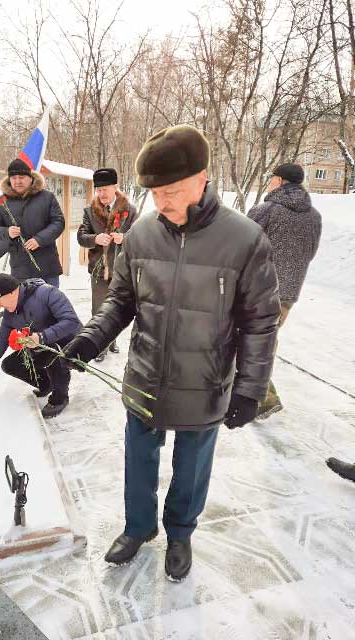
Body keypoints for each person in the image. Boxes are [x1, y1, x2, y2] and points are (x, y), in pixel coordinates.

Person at [64, 125, 280, 581]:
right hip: (144, 374)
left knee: (192, 465)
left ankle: (180, 533)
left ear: (203, 178)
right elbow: (121, 300)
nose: (161, 202)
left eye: (172, 191)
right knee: (138, 457)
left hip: (204, 379)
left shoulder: (244, 239)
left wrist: (250, 389)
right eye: (154, 192)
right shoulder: (141, 234)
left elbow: (260, 321)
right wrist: (89, 339)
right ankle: (137, 528)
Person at [248, 163, 322, 419]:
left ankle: (263, 398)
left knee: (250, 342)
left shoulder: (266, 211)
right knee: (265, 341)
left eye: (271, 179)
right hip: (288, 294)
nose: (269, 183)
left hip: (258, 290)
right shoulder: (314, 216)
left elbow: (240, 246)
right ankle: (261, 396)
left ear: (279, 181)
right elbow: (310, 254)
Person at [0, 273, 82, 419]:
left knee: (54, 353)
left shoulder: (47, 293)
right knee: (10, 364)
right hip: (42, 344)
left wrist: (42, 337)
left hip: (71, 344)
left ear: (12, 292)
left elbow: (71, 321)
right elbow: (0, 343)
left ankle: (60, 398)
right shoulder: (10, 314)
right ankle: (46, 384)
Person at [77, 168, 138, 362]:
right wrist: (95, 238)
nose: (102, 193)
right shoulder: (89, 211)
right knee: (99, 309)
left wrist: (124, 238)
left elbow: (140, 237)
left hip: (121, 270)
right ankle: (99, 346)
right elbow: (81, 237)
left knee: (118, 309)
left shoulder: (129, 210)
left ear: (115, 187)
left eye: (105, 189)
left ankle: (112, 340)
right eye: (98, 189)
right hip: (98, 270)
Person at [0, 158, 65, 287]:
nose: (17, 181)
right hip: (20, 270)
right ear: (9, 179)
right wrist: (7, 232)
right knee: (24, 306)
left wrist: (39, 239)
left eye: (21, 177)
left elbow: (58, 222)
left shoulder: (47, 197)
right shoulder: (2, 201)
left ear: (30, 178)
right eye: (13, 178)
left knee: (50, 305)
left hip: (47, 267)